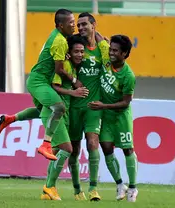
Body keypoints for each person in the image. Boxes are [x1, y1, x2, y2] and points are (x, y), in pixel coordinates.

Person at [0, 9, 81, 161]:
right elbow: (59, 69)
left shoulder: (58, 37)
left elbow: (55, 57)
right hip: (39, 82)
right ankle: (46, 144)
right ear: (61, 25)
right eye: (71, 23)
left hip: (38, 80)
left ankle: (10, 119)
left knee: (43, 111)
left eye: (74, 22)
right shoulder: (60, 41)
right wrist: (74, 82)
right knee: (59, 108)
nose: (74, 26)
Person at [88, 34, 139, 202]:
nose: (111, 53)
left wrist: (104, 106)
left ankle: (132, 188)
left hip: (121, 117)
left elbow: (125, 102)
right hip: (106, 116)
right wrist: (92, 28)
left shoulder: (128, 76)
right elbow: (99, 37)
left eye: (115, 51)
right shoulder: (106, 59)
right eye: (111, 49)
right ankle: (119, 184)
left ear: (124, 54)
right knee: (107, 149)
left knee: (127, 150)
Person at [40, 35, 88, 200]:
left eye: (82, 52)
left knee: (57, 151)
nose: (80, 55)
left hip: (65, 112)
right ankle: (49, 187)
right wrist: (73, 92)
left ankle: (47, 190)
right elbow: (55, 86)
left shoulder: (73, 66)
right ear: (69, 52)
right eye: (76, 51)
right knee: (67, 149)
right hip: (58, 111)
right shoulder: (65, 64)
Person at [67, 12, 104, 201]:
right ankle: (76, 190)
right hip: (74, 106)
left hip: (93, 106)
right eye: (78, 25)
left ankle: (93, 188)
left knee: (92, 143)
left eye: (84, 24)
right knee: (73, 150)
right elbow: (63, 68)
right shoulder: (75, 47)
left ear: (93, 25)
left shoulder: (103, 48)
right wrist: (74, 82)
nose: (80, 28)